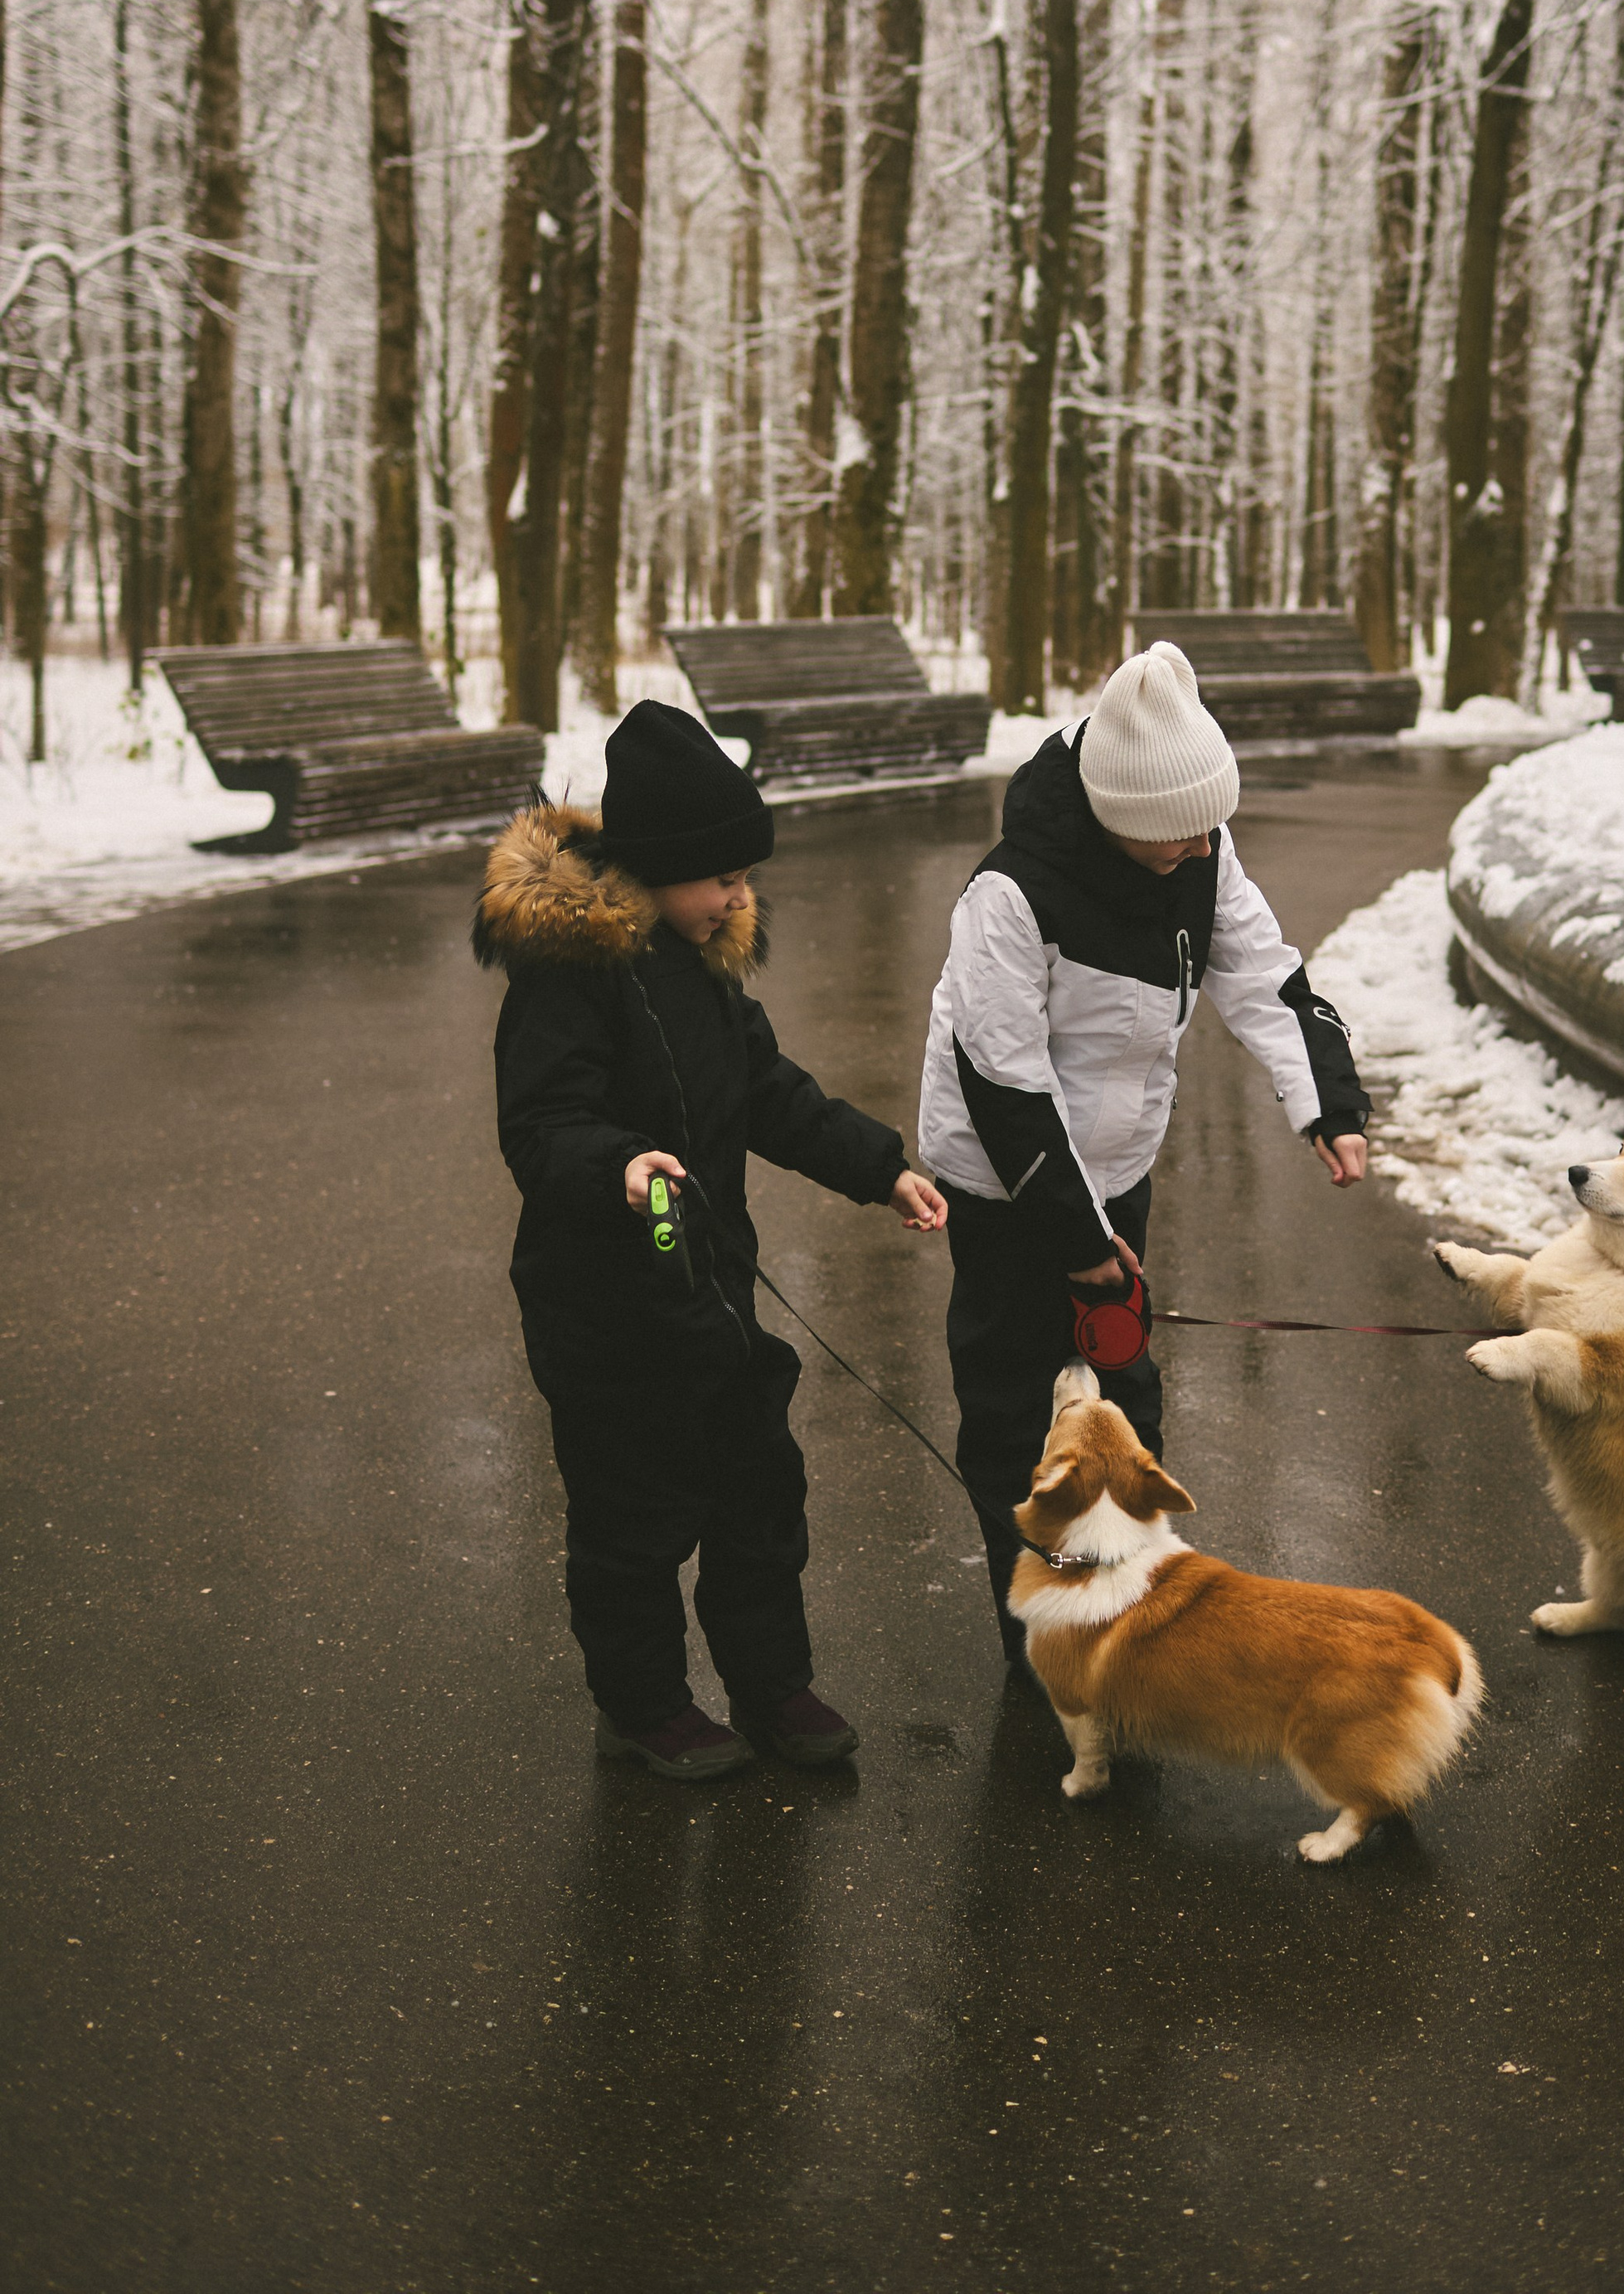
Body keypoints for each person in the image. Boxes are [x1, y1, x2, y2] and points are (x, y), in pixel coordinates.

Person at [473, 699, 948, 1782]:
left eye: (746, 876)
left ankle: (773, 1685)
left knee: (758, 1495)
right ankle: (643, 1706)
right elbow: (543, 1123)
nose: (740, 895)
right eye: (720, 878)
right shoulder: (567, 973)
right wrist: (619, 1165)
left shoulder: (702, 965)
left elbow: (766, 1093)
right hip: (604, 1309)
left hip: (711, 1293)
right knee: (632, 1521)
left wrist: (881, 1166)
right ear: (653, 868)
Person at [919, 640, 1370, 1661]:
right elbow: (1005, 1082)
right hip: (1010, 1183)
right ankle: (1039, 1635)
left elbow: (1269, 978)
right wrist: (1075, 1239)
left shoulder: (1195, 843)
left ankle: (1123, 1611)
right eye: (1176, 837)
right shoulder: (1009, 896)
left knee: (1123, 1391)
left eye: (1209, 828)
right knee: (1015, 1410)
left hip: (1116, 1168)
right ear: (1118, 822)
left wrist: (1328, 1106)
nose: (1201, 852)